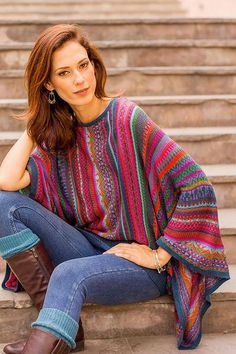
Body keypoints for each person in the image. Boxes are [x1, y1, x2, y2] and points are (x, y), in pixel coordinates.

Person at [0, 23, 230, 354]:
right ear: (49, 83)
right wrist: (40, 120)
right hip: (88, 249)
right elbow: (8, 182)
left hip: (139, 266)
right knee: (5, 204)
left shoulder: (126, 119)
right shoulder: (61, 134)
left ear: (94, 64)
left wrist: (159, 254)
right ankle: (64, 329)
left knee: (67, 275)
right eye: (64, 73)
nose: (80, 79)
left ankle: (45, 344)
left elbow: (197, 186)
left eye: (83, 65)